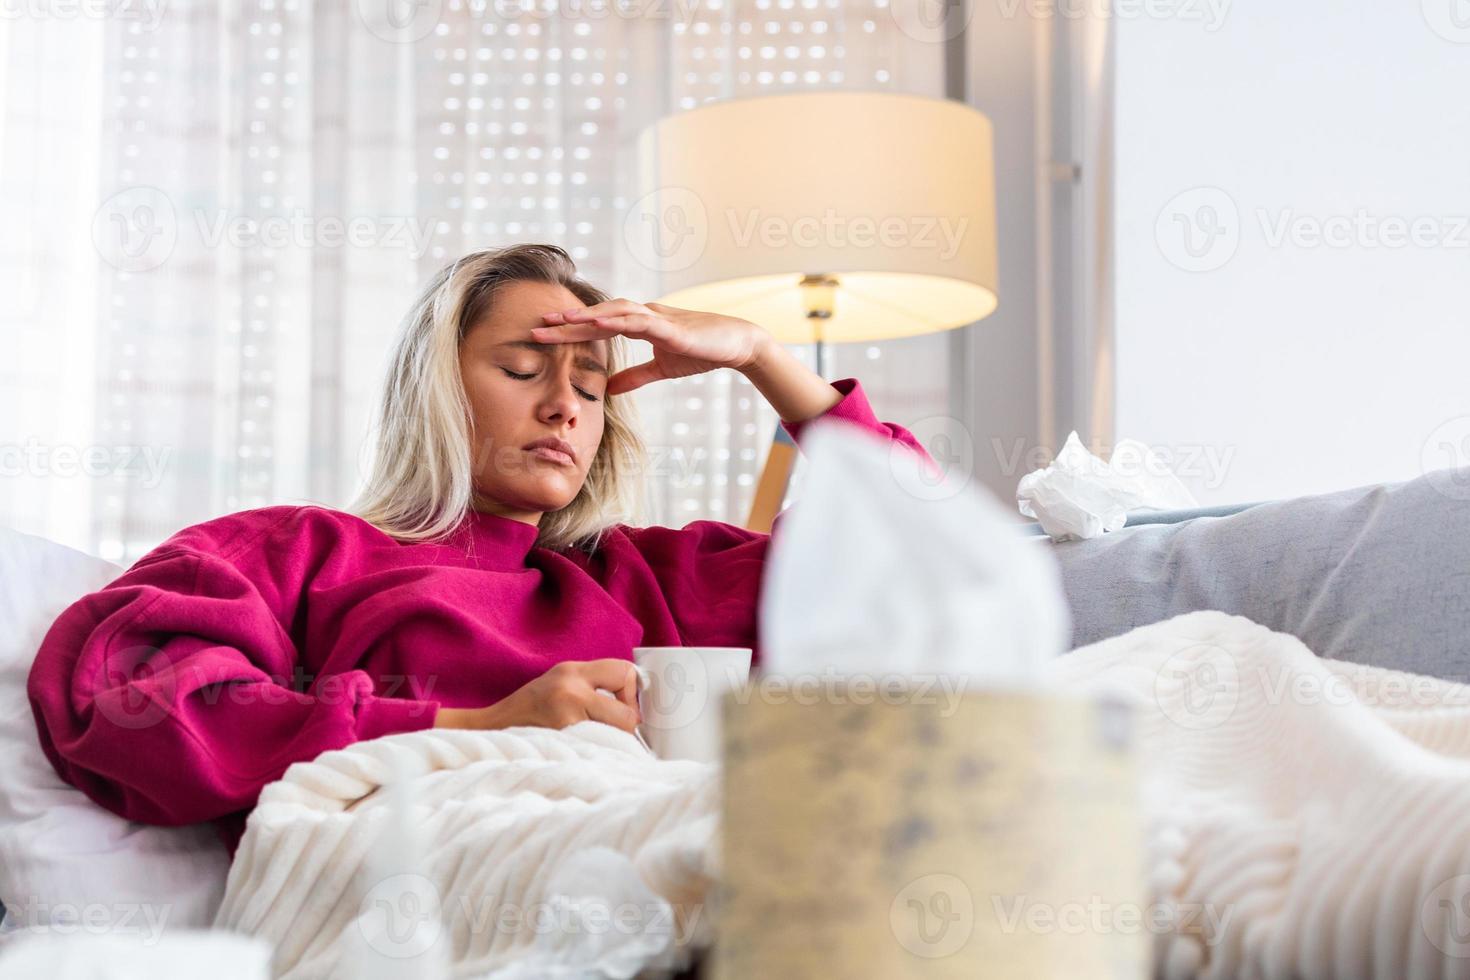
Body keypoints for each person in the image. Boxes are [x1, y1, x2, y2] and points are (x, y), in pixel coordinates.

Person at [27, 243, 935, 855]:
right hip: (424, 875)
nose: (566, 407)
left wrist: (761, 358)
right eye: (522, 370)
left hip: (653, 863)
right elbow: (131, 703)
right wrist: (480, 725)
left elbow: (922, 556)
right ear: (435, 385)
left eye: (591, 383)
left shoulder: (641, 577)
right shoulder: (298, 550)